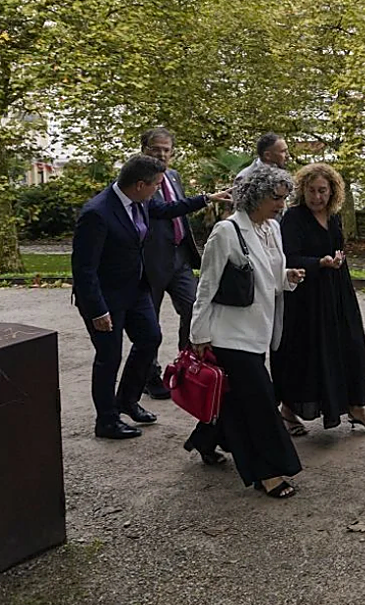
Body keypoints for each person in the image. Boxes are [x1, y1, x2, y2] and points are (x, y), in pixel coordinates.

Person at [71, 154, 223, 440]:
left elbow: (168, 209)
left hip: (136, 289)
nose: (159, 190)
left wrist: (207, 198)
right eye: (156, 185)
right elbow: (83, 268)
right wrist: (97, 310)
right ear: (140, 184)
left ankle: (127, 400)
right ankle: (106, 420)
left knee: (150, 339)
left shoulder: (141, 201)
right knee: (108, 357)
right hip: (105, 299)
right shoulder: (97, 213)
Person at [187, 165, 305, 498]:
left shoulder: (272, 228)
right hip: (228, 334)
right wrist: (198, 334)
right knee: (260, 401)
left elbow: (271, 275)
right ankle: (267, 472)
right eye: (275, 198)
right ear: (254, 196)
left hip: (259, 331)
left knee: (235, 399)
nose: (281, 205)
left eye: (283, 198)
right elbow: (206, 285)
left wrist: (288, 277)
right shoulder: (226, 232)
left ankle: (204, 440)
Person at [274, 163, 365, 435]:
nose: (317, 197)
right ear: (303, 190)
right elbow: (287, 257)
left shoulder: (333, 217)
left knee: (351, 344)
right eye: (311, 190)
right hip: (306, 296)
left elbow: (337, 246)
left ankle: (356, 405)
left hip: (336, 290)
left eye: (322, 191)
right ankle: (289, 410)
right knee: (307, 355)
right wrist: (319, 262)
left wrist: (337, 258)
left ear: (332, 192)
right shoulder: (293, 218)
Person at [140, 127, 218, 400]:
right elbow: (162, 211)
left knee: (194, 309)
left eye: (166, 150)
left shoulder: (173, 176)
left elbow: (178, 213)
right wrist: (205, 199)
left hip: (180, 259)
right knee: (149, 324)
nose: (161, 154)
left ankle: (187, 366)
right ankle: (149, 375)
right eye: (155, 149)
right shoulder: (139, 180)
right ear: (144, 150)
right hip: (151, 263)